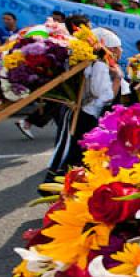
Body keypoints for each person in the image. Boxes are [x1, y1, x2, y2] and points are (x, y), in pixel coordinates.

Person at [46, 27, 124, 183]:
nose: (119, 52)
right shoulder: (99, 64)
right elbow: (104, 96)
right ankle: (53, 181)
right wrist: (117, 80)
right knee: (70, 151)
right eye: (116, 48)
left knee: (75, 151)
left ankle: (64, 183)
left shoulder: (93, 62)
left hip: (79, 112)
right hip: (83, 114)